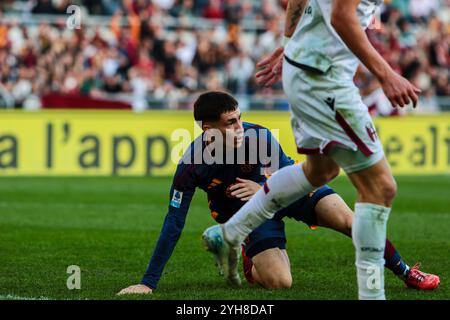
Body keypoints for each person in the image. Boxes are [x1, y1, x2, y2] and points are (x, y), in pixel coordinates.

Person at [117, 91, 438, 295]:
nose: (240, 127)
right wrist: (148, 282)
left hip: (285, 192)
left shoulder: (260, 137)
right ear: (207, 129)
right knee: (281, 283)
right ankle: (249, 257)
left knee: (350, 220)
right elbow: (174, 221)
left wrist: (265, 190)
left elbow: (289, 178)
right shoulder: (191, 165)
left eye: (239, 118)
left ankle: (407, 272)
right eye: (230, 123)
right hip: (249, 216)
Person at [221, 0, 423, 300]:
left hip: (307, 70)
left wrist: (290, 46)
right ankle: (373, 295)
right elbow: (342, 16)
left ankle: (229, 231)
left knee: (321, 171)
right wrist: (386, 74)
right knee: (380, 187)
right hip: (324, 78)